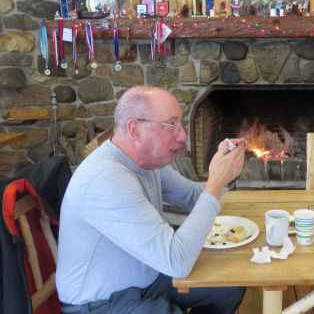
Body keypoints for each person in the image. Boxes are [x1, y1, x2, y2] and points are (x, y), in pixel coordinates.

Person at [56, 86, 247, 314]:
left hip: (148, 278)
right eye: (171, 125)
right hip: (105, 303)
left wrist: (224, 178)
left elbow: (189, 196)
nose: (183, 135)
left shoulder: (146, 161)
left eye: (181, 124)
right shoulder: (106, 177)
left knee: (229, 287)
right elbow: (177, 261)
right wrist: (215, 182)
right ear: (135, 129)